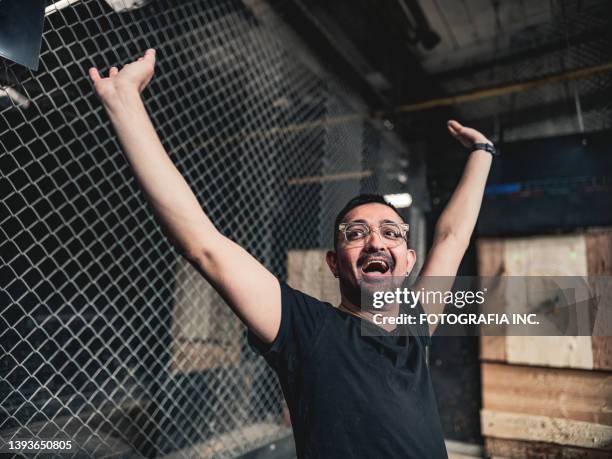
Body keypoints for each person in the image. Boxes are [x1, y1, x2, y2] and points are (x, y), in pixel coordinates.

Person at [89, 49, 494, 459]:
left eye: (391, 233)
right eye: (356, 233)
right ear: (334, 263)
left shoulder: (414, 323)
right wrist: (124, 100)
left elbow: (452, 236)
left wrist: (482, 151)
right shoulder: (308, 330)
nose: (375, 241)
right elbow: (204, 245)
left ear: (408, 260)